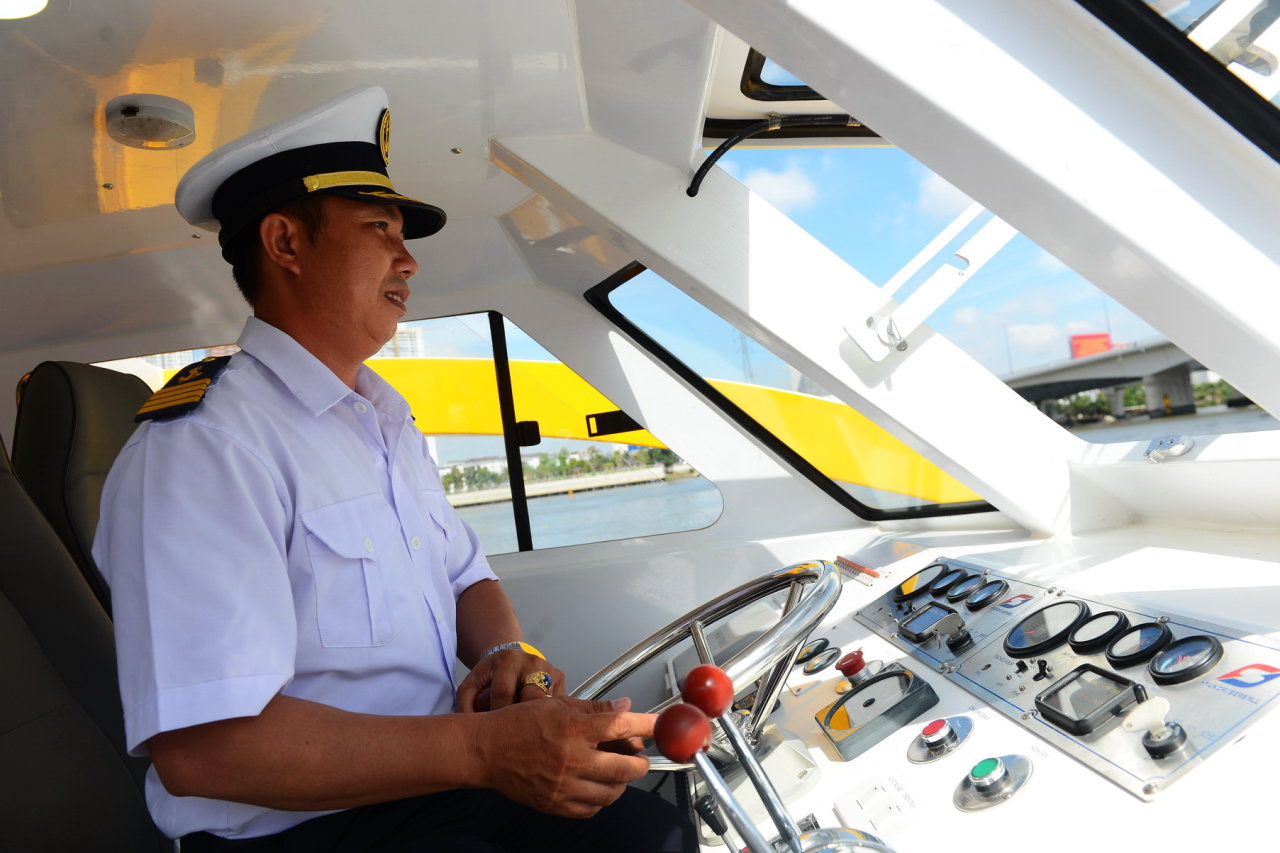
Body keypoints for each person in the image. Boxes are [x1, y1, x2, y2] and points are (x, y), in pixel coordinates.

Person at [93, 86, 691, 851]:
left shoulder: (383, 417)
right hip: (305, 830)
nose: (407, 259)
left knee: (656, 825)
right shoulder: (202, 446)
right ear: (285, 243)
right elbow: (206, 747)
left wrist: (509, 657)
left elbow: (464, 576)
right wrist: (486, 750)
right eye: (379, 229)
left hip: (433, 785)